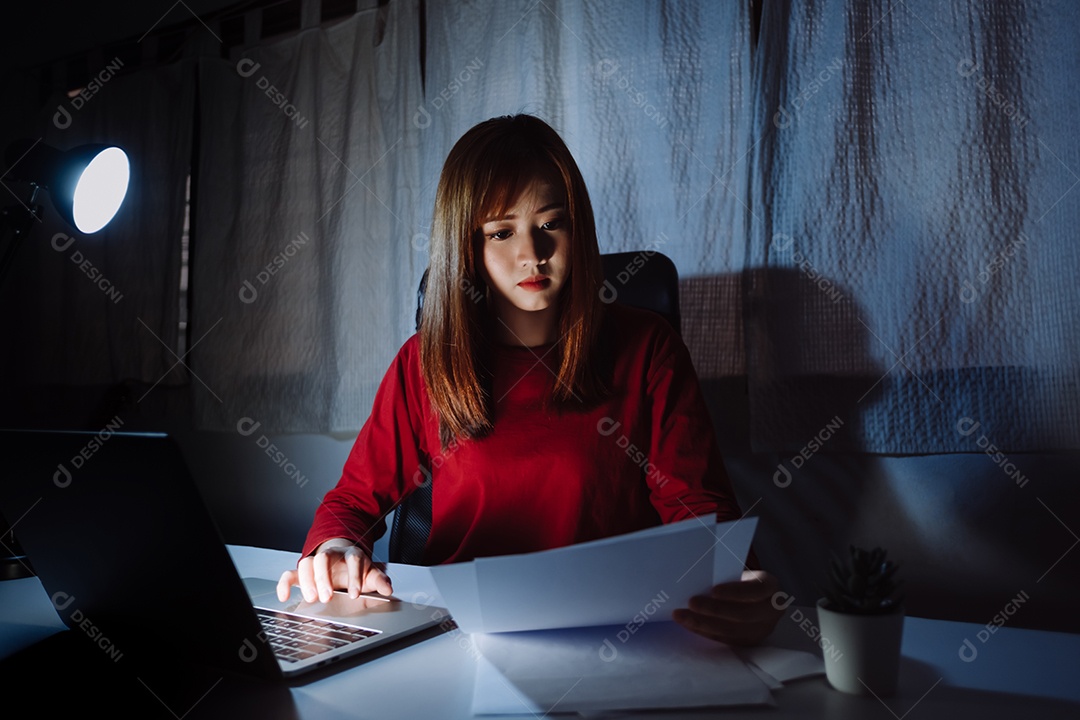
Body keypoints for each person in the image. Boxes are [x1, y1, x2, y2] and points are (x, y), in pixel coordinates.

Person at [278, 114, 783, 646]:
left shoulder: (648, 347)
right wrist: (335, 547)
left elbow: (699, 515)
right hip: (457, 636)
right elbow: (353, 502)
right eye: (500, 232)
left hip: (611, 633)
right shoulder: (424, 361)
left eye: (550, 224)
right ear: (466, 248)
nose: (531, 254)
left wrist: (740, 584)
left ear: (577, 227)